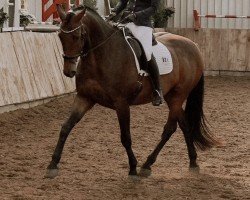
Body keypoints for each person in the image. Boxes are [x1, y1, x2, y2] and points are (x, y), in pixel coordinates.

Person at [110, 0, 163, 106]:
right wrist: (115, 12)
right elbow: (123, 2)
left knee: (147, 54)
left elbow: (154, 8)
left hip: (142, 25)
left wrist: (136, 15)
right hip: (125, 22)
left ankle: (157, 90)